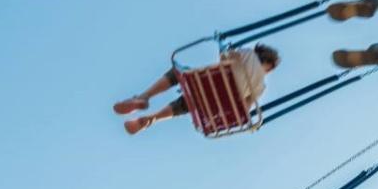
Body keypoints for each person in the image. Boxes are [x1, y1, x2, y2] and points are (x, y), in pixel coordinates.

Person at [113, 44, 280, 135]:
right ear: (269, 66)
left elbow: (224, 59)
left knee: (180, 74)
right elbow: (244, 108)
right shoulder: (261, 86)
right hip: (214, 105)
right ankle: (152, 119)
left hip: (204, 84)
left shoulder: (246, 53)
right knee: (190, 104)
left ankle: (144, 96)